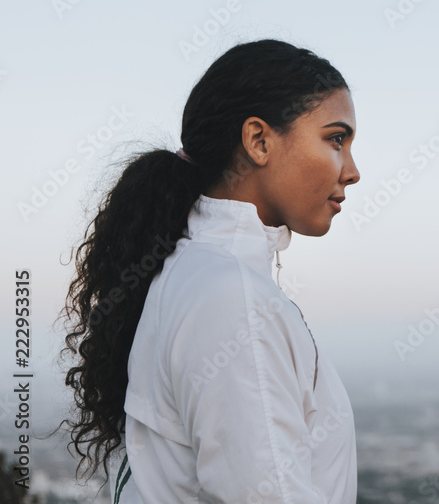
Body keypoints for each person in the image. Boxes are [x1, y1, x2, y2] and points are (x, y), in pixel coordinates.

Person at [55, 39, 362, 502]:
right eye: (335, 139)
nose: (352, 171)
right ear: (259, 141)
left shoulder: (198, 273)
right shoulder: (229, 295)